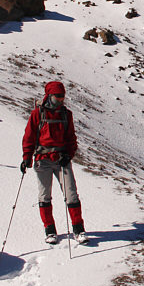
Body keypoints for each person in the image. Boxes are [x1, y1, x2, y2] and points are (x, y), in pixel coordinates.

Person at [21, 80, 88, 245]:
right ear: (49, 95)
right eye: (58, 96)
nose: (61, 99)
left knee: (71, 194)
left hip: (61, 160)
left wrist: (69, 154)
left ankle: (78, 229)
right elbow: (29, 137)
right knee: (45, 196)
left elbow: (71, 138)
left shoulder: (66, 114)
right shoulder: (37, 114)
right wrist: (26, 158)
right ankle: (50, 230)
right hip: (42, 160)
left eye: (62, 96)